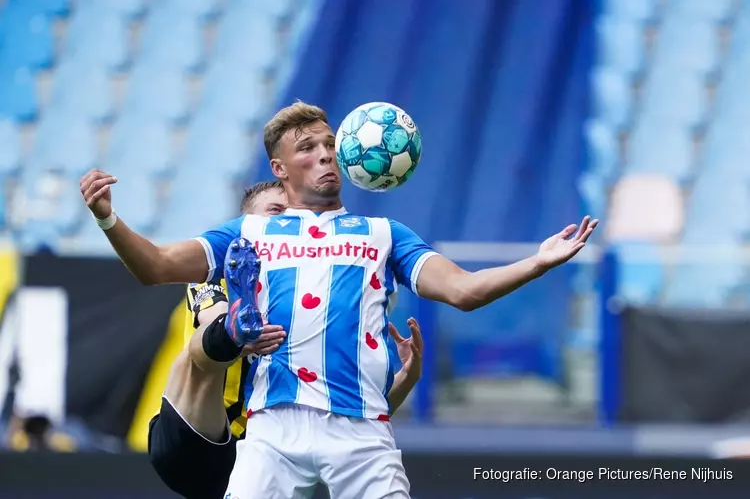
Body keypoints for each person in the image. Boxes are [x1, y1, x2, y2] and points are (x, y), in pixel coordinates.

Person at [79, 101, 598, 498]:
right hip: (271, 432)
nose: (324, 153)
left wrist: (538, 261)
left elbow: (463, 291)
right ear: (279, 169)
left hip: (360, 435)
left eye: (328, 143)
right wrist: (108, 218)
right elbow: (157, 267)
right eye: (306, 147)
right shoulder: (252, 233)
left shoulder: (383, 233)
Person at [146, 180, 425, 499]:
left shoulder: (316, 310)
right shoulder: (216, 274)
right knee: (202, 354)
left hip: (257, 456)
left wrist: (406, 379)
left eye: (293, 216)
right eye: (276, 214)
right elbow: (209, 315)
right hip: (193, 436)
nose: (286, 225)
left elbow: (357, 417)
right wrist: (235, 332)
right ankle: (235, 329)